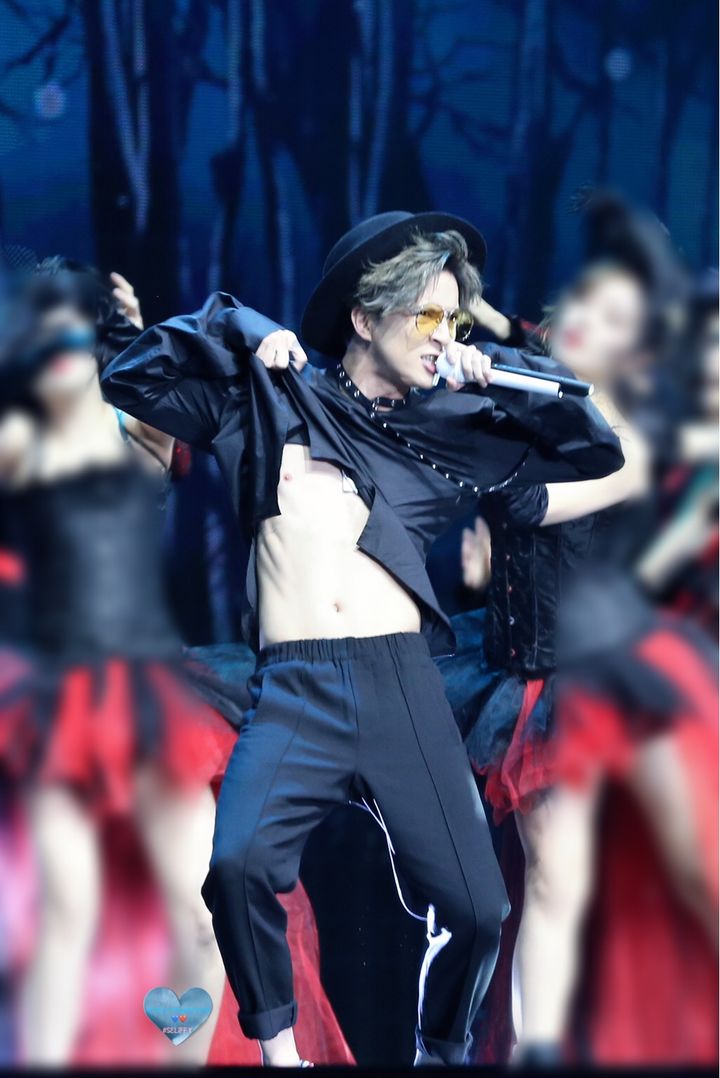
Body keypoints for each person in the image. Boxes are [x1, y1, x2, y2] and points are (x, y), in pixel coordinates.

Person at [101, 210, 623, 1067]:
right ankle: (282, 1058)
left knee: (480, 909)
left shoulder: (446, 428)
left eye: (454, 321)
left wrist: (502, 377)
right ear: (364, 317)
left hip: (400, 685)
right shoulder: (265, 397)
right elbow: (136, 375)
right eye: (428, 315)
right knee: (236, 870)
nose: (442, 336)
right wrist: (246, 327)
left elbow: (594, 449)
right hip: (297, 686)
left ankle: (437, 1053)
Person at [0, 259, 352, 1067]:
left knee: (200, 920)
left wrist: (129, 328)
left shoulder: (135, 422)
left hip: (147, 694)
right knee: (65, 922)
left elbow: (185, 369)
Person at [439, 196, 718, 1064]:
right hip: (524, 679)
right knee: (554, 881)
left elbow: (561, 492)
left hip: (606, 676)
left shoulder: (644, 421)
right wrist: (474, 349)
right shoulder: (540, 386)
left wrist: (494, 426)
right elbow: (520, 352)